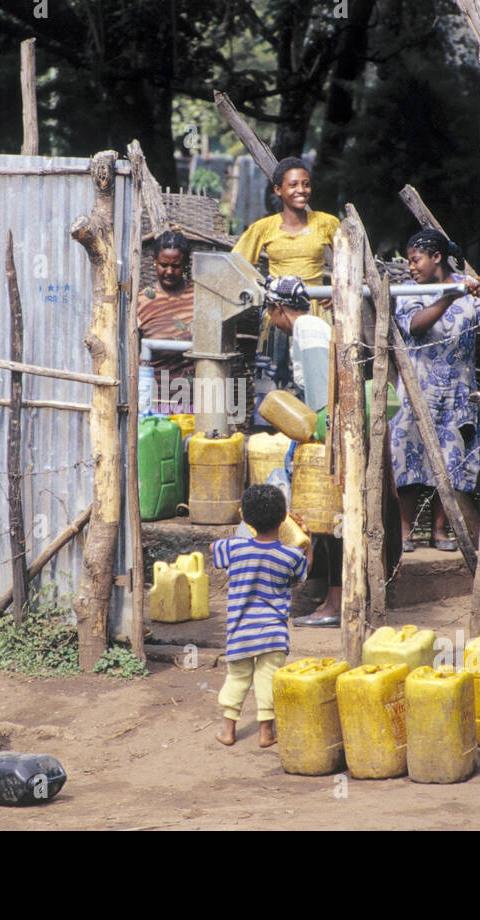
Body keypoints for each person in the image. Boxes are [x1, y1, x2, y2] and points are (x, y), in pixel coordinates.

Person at [389, 228, 480, 554]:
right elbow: (415, 326)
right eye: (409, 261)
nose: (411, 267)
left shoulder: (468, 286)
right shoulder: (408, 291)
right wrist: (449, 296)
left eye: (415, 259)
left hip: (457, 392)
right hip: (415, 389)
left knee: (451, 463)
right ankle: (405, 531)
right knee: (406, 457)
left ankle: (440, 530)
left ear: (436, 257)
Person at [259, 277, 342, 628]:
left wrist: (310, 444)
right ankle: (328, 597)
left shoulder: (307, 329)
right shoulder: (312, 325)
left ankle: (334, 603)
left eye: (269, 311)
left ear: (278, 308)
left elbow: (321, 398)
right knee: (324, 520)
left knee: (327, 518)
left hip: (326, 435)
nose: (269, 318)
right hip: (328, 431)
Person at [232, 157, 340, 417]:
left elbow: (353, 261)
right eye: (293, 185)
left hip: (315, 312)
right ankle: (271, 441)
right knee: (274, 386)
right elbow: (235, 265)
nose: (301, 190)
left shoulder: (326, 223)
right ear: (278, 190)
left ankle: (320, 434)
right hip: (278, 316)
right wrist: (264, 294)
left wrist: (336, 288)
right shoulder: (264, 228)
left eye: (305, 184)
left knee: (320, 380)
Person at [212, 483, 311, 747]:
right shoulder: (290, 555)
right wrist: (305, 539)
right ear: (283, 518)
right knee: (267, 679)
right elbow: (303, 573)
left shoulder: (234, 548)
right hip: (273, 634)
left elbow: (214, 549)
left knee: (237, 678)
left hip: (240, 632)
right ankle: (266, 732)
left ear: (245, 517)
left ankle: (227, 730)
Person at [136, 229, 196, 413]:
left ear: (186, 264)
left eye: (176, 266)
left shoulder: (200, 296)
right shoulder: (142, 302)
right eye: (163, 264)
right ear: (154, 261)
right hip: (154, 402)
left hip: (194, 401)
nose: (169, 271)